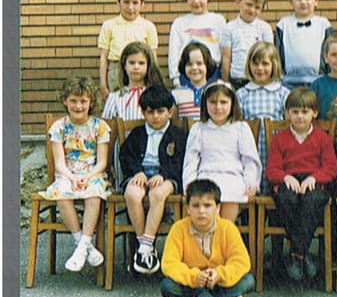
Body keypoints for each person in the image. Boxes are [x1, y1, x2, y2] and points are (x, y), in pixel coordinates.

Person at [265, 88, 337, 281]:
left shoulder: (322, 138)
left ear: (314, 113)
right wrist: (285, 177)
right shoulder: (279, 138)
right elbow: (272, 169)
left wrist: (314, 178)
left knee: (311, 200)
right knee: (286, 199)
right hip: (287, 181)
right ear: (287, 113)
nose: (300, 116)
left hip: (313, 181)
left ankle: (296, 253)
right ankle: (303, 254)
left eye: (305, 112)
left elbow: (330, 168)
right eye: (295, 111)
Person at [160, 179, 255, 297]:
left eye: (207, 205)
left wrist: (219, 274)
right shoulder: (178, 229)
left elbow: (240, 261)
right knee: (167, 286)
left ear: (217, 208)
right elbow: (169, 263)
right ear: (188, 209)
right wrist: (194, 277)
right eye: (196, 206)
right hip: (192, 284)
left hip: (218, 283)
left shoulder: (228, 228)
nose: (201, 211)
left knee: (248, 281)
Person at [44, 76, 110, 272]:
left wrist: (87, 177)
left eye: (83, 101)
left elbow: (102, 162)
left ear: (91, 102)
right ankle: (82, 244)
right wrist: (72, 178)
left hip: (93, 173)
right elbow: (59, 163)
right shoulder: (59, 127)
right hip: (67, 173)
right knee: (61, 192)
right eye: (73, 100)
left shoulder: (99, 126)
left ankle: (83, 245)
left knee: (94, 193)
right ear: (65, 100)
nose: (78, 106)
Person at [119, 85, 187, 275]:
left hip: (166, 177)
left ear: (170, 112)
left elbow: (181, 160)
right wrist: (137, 172)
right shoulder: (137, 134)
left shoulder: (178, 135)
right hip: (140, 174)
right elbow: (126, 156)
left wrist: (163, 174)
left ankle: (144, 246)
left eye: (160, 111)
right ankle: (146, 247)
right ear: (143, 113)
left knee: (158, 194)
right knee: (132, 194)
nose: (156, 116)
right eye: (150, 112)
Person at [183, 80, 262, 223]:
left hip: (233, 176)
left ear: (232, 104)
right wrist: (189, 182)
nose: (218, 107)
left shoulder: (240, 128)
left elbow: (250, 160)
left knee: (230, 193)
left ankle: (225, 231)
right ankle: (208, 233)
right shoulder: (199, 129)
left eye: (223, 102)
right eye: (213, 102)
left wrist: (251, 182)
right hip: (206, 176)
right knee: (205, 197)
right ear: (205, 104)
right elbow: (191, 160)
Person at [236, 41, 290, 190]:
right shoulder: (242, 94)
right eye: (256, 64)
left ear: (274, 65)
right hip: (250, 148)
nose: (260, 68)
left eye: (265, 64)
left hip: (276, 150)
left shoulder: (283, 93)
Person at [97, 0, 158, 99]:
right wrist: (103, 85)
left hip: (139, 70)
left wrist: (154, 82)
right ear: (118, 2)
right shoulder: (109, 25)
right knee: (118, 103)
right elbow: (103, 57)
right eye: (126, 2)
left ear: (142, 4)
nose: (130, 7)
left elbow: (153, 57)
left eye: (135, 3)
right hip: (115, 70)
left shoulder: (148, 26)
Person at [168, 0, 226, 88]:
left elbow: (223, 50)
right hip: (187, 74)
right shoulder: (179, 23)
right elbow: (174, 52)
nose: (196, 1)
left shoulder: (218, 20)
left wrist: (224, 77)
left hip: (213, 73)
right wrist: (175, 78)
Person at [274, 0, 333, 88]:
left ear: (316, 1)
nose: (303, 2)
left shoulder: (323, 24)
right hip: (288, 82)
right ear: (291, 2)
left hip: (318, 80)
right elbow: (276, 52)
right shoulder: (283, 24)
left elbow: (330, 51)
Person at [220, 0, 274, 89]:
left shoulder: (265, 28)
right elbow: (226, 59)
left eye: (257, 7)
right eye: (249, 5)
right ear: (238, 1)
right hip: (237, 80)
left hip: (258, 80)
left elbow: (270, 57)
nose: (252, 10)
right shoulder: (228, 28)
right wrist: (226, 84)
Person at [102, 41, 165, 121]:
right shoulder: (114, 98)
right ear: (124, 65)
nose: (136, 67)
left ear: (148, 66)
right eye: (131, 63)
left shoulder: (158, 95)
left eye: (141, 63)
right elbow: (106, 125)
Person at [172, 41, 217, 121]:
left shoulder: (215, 91)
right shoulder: (176, 94)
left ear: (207, 65)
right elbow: (174, 121)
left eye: (199, 63)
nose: (194, 68)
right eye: (189, 64)